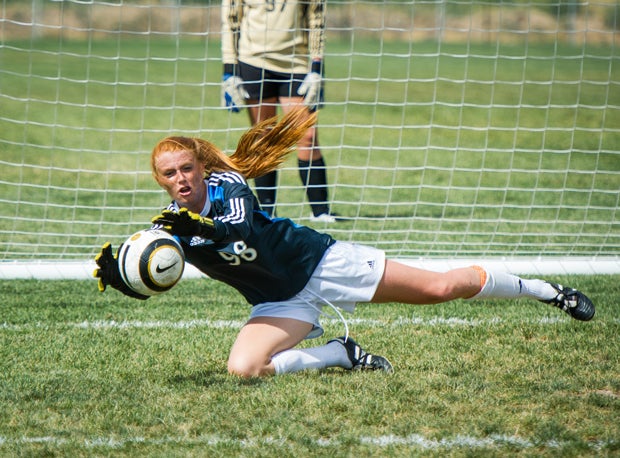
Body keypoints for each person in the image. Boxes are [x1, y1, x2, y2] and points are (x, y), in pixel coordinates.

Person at [93, 109, 595, 379]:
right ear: (159, 181)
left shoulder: (230, 187)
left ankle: (546, 291)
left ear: (201, 166)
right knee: (245, 369)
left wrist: (207, 230)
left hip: (322, 263)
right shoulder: (170, 227)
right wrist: (124, 273)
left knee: (442, 288)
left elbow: (239, 228)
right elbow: (155, 266)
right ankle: (340, 354)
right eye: (169, 174)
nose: (181, 178)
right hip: (279, 299)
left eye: (187, 168)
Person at [220, 0, 337, 222]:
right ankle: (267, 212)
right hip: (252, 61)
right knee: (264, 138)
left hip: (297, 63)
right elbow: (230, 22)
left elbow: (317, 19)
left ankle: (320, 212)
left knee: (307, 136)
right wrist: (229, 69)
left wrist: (317, 67)